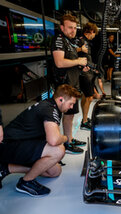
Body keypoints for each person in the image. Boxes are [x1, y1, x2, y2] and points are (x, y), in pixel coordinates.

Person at [0, 84, 81, 196]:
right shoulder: (49, 109)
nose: (72, 107)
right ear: (61, 99)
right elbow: (53, 140)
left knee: (54, 171)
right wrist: (66, 138)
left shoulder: (51, 105)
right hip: (8, 145)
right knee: (58, 150)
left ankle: (6, 168)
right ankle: (26, 182)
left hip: (20, 143)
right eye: (71, 103)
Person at [51, 14, 87, 154]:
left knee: (70, 115)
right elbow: (59, 63)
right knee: (61, 115)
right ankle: (65, 143)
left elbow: (69, 62)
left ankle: (69, 139)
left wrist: (80, 66)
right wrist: (78, 61)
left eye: (75, 28)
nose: (73, 30)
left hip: (73, 84)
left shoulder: (70, 42)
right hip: (64, 86)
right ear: (62, 27)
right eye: (70, 27)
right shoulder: (59, 40)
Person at [76, 22, 99, 130]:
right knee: (89, 97)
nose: (95, 35)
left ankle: (84, 119)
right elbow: (70, 51)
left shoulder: (86, 41)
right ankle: (84, 122)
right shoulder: (80, 40)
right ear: (91, 31)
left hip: (89, 72)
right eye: (94, 33)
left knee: (86, 96)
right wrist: (80, 49)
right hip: (84, 74)